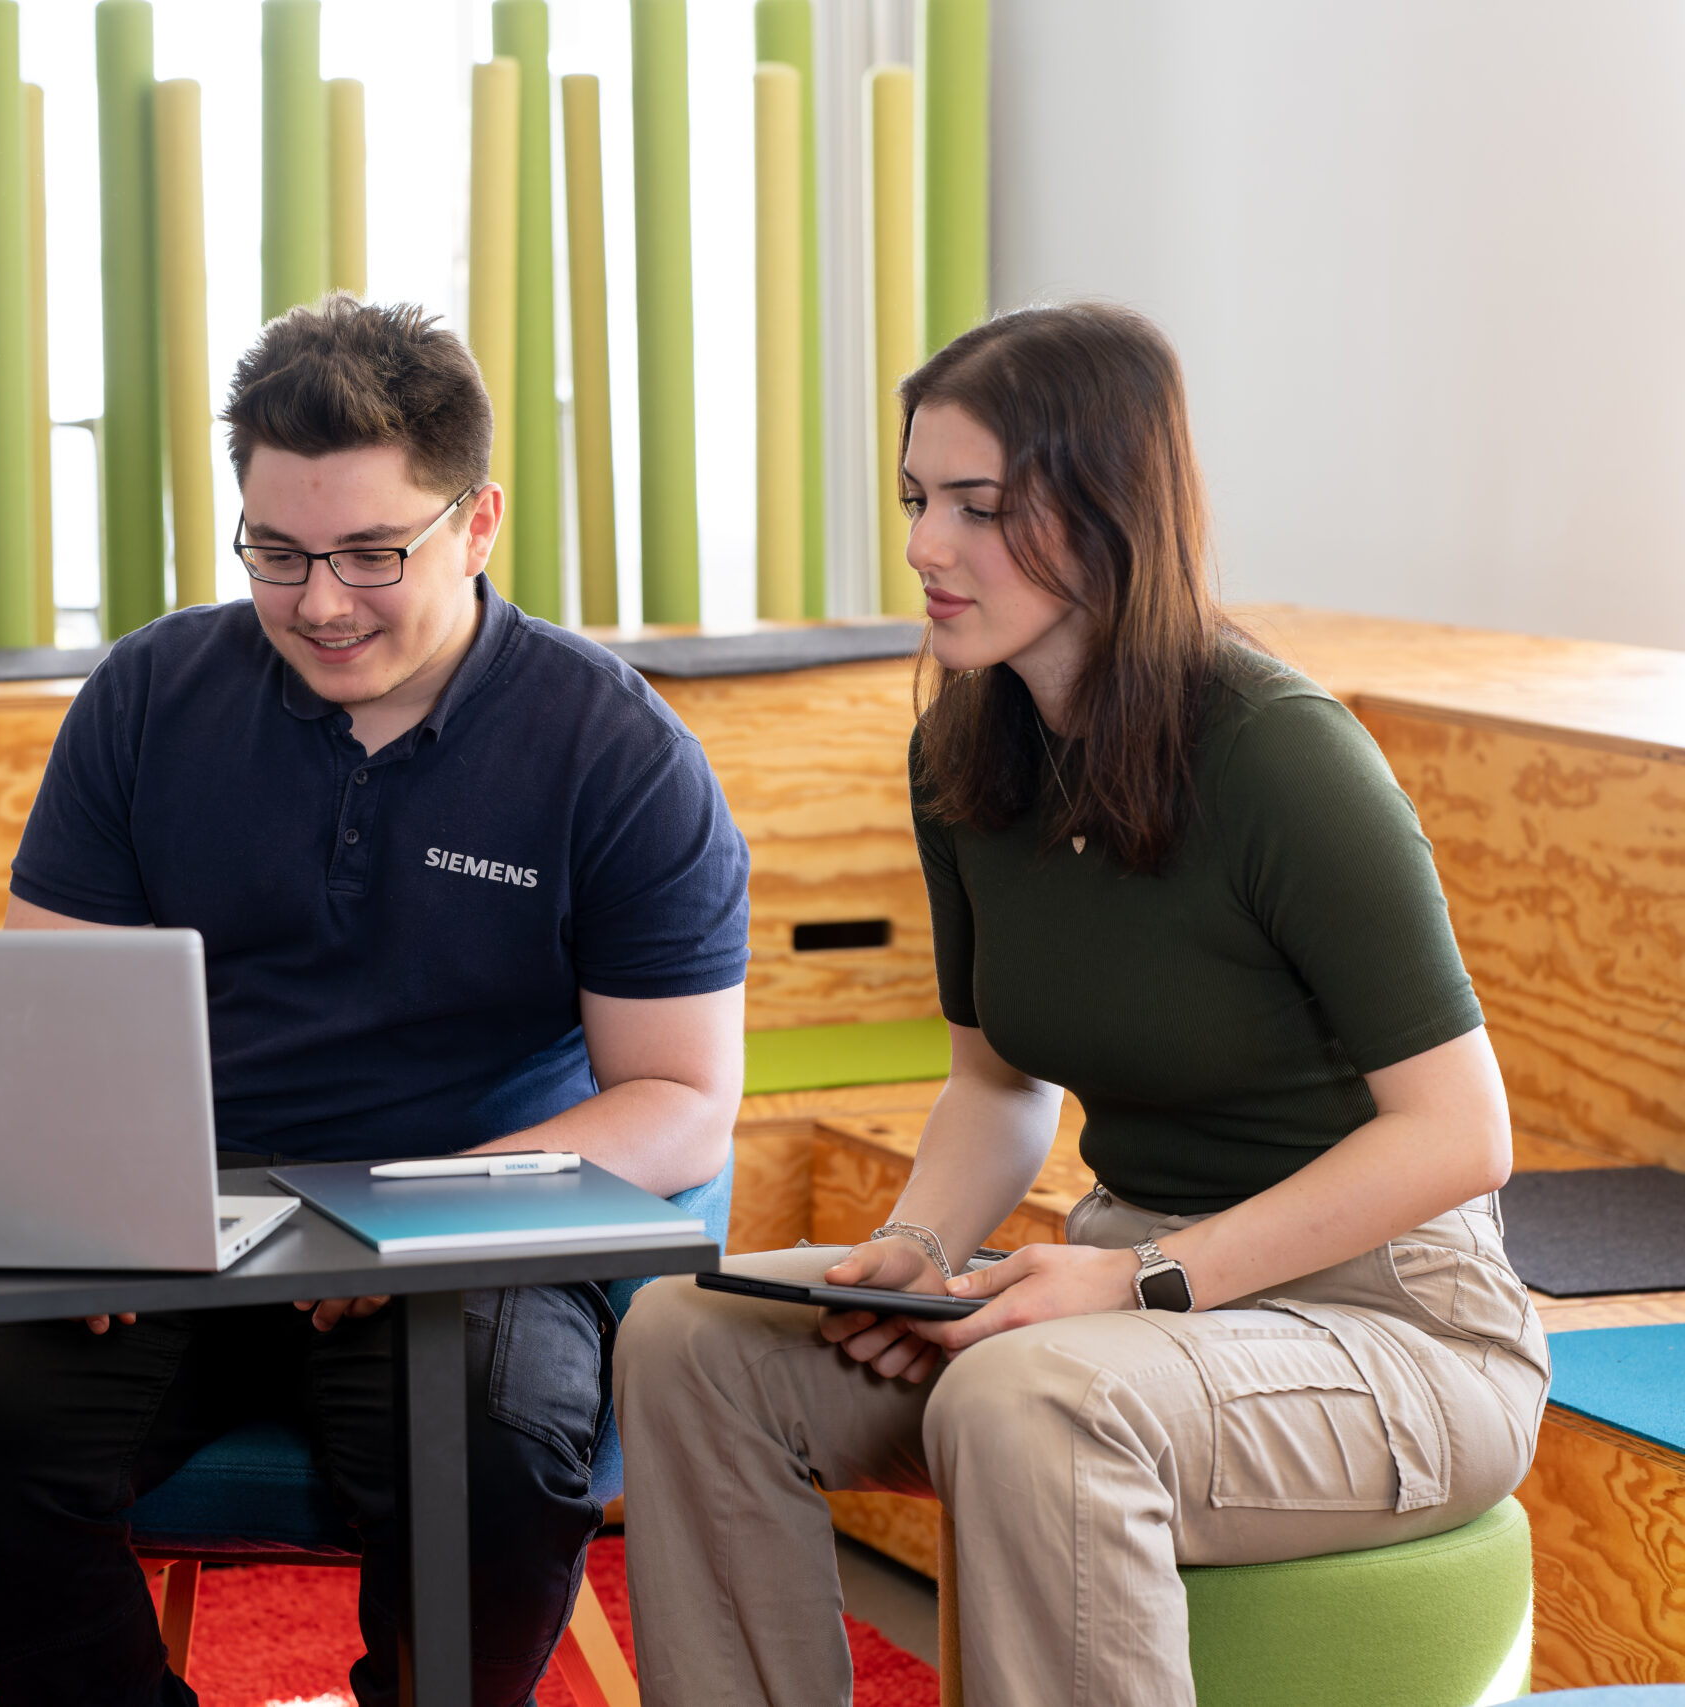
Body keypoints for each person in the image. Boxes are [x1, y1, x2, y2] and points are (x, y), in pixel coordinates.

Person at [613, 303, 1548, 1707]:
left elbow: (1461, 1133)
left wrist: (1132, 1281)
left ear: (1107, 509)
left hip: (1395, 1332)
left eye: (978, 506)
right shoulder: (965, 754)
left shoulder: (1282, 755)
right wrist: (921, 1244)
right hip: (1132, 1307)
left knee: (1024, 1398)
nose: (927, 545)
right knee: (692, 1335)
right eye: (920, 497)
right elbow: (1000, 1085)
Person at [0, 295, 751, 1707]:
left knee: (490, 1444)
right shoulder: (146, 697)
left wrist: (431, 1214)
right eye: (278, 552)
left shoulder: (614, 750)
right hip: (179, 1216)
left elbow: (680, 1098)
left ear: (477, 523)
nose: (319, 601)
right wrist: (81, 1197)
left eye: (372, 553)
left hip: (467, 1222)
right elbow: (46, 1017)